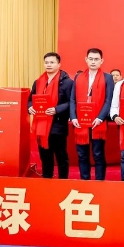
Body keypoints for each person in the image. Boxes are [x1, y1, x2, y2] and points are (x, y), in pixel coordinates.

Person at [69, 48, 115, 180]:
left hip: (98, 123)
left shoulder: (108, 78)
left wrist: (100, 118)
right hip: (80, 122)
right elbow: (73, 99)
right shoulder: (78, 77)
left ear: (101, 61)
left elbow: (108, 100)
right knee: (82, 155)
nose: (93, 62)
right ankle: (85, 181)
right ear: (86, 60)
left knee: (98, 154)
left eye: (96, 59)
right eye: (91, 59)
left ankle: (99, 182)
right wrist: (73, 117)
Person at [28, 51, 73, 179]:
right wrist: (30, 107)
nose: (49, 65)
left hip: (58, 124)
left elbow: (71, 102)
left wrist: (56, 109)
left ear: (59, 64)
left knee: (60, 155)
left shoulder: (67, 82)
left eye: (52, 62)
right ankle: (47, 179)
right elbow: (30, 99)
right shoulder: (38, 82)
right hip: (41, 124)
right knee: (45, 155)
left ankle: (63, 181)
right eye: (46, 62)